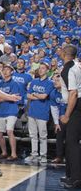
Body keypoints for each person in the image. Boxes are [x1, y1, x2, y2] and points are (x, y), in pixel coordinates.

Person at [59, 45, 81, 189]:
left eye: (61, 50)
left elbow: (73, 93)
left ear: (65, 53)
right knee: (70, 142)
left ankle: (76, 178)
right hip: (77, 105)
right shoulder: (77, 65)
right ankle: (70, 174)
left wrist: (67, 115)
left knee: (72, 143)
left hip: (76, 106)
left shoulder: (69, 69)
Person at [25, 62, 53, 164]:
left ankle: (43, 155)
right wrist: (37, 95)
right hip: (32, 112)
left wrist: (34, 94)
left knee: (42, 136)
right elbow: (28, 96)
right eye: (39, 68)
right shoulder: (34, 81)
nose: (40, 70)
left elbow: (44, 96)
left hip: (42, 112)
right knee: (33, 135)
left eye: (43, 68)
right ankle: (34, 154)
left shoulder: (50, 82)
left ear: (47, 70)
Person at [0, 64, 21, 161]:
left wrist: (4, 97)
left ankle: (14, 154)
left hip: (12, 111)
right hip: (1, 111)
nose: (5, 71)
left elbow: (15, 98)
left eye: (8, 69)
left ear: (12, 72)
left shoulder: (15, 83)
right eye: (4, 69)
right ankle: (4, 152)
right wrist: (8, 96)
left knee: (10, 131)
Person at [49, 73, 66, 164]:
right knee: (59, 136)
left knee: (71, 139)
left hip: (72, 118)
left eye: (57, 80)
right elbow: (54, 109)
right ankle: (59, 156)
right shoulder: (53, 93)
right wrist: (56, 123)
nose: (55, 82)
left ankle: (70, 157)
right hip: (61, 119)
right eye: (54, 80)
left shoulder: (68, 91)